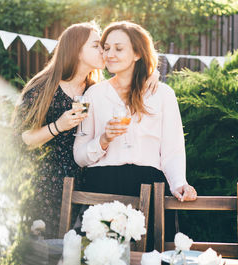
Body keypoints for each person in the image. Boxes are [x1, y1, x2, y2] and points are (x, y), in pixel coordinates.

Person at [13, 21, 159, 239]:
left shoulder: (94, 90)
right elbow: (23, 138)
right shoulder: (44, 87)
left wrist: (151, 74)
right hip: (48, 184)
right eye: (97, 46)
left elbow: (127, 80)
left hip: (87, 180)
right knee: (49, 247)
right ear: (76, 50)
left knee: (81, 247)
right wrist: (58, 126)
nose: (104, 51)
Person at [73, 21, 197, 246]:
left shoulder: (163, 94)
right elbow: (79, 156)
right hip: (102, 188)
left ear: (138, 53)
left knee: (150, 257)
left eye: (118, 48)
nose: (109, 54)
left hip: (149, 189)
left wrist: (179, 183)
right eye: (106, 48)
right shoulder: (93, 95)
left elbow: (173, 150)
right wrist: (103, 140)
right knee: (101, 257)